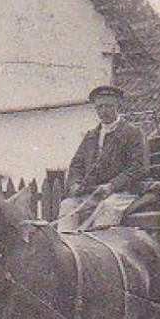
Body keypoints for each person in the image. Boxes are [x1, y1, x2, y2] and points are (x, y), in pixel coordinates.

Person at [56, 84, 149, 231]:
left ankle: (98, 251)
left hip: (123, 193)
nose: (103, 111)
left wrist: (112, 185)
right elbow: (76, 165)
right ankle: (66, 248)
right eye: (99, 107)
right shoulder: (91, 136)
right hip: (94, 193)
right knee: (68, 205)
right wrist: (74, 184)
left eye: (108, 106)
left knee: (108, 208)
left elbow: (139, 167)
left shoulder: (132, 132)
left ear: (117, 106)